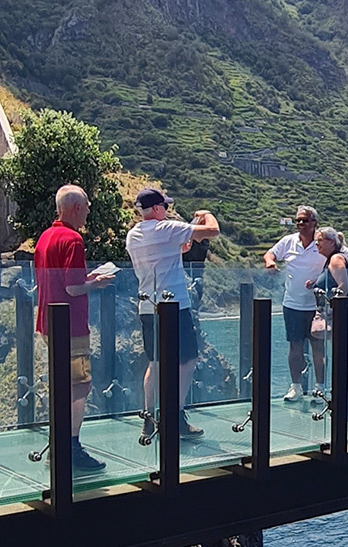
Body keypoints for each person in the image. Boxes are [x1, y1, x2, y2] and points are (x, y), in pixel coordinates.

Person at [263, 205, 348, 402]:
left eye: (305, 220)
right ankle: (296, 387)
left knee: (319, 348)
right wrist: (270, 263)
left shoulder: (324, 244)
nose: (300, 224)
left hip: (318, 308)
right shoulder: (289, 242)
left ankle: (320, 388)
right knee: (294, 347)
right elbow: (270, 253)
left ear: (314, 222)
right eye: (298, 220)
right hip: (292, 304)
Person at [125, 187, 219, 442]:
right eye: (164, 206)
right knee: (187, 360)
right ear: (156, 209)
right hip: (175, 305)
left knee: (155, 362)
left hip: (147, 305)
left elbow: (174, 250)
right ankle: (174, 416)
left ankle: (148, 418)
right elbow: (212, 231)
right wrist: (206, 214)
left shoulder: (133, 235)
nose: (166, 210)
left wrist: (186, 235)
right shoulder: (166, 228)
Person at [34, 185, 116, 472]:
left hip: (47, 321)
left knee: (61, 383)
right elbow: (72, 287)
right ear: (76, 208)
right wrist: (96, 284)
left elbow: (59, 280)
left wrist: (87, 277)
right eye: (87, 206)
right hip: (71, 326)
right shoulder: (73, 240)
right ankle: (71, 446)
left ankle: (57, 444)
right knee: (80, 385)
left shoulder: (45, 237)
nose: (89, 211)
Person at [309, 227, 348, 406]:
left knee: (342, 355)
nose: (317, 243)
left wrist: (332, 312)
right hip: (343, 313)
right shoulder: (331, 260)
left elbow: (343, 287)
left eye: (320, 240)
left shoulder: (336, 258)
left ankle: (344, 400)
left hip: (343, 313)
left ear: (332, 242)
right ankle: (344, 398)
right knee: (341, 354)